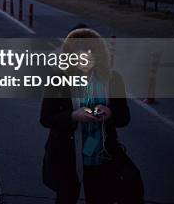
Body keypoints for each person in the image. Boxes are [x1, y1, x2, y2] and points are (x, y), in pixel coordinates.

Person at [40, 26, 142, 204]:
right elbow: (46, 118)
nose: (84, 58)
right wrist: (73, 116)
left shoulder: (113, 78)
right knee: (67, 196)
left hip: (101, 155)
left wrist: (110, 112)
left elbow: (124, 117)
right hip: (67, 154)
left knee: (100, 197)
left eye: (90, 52)